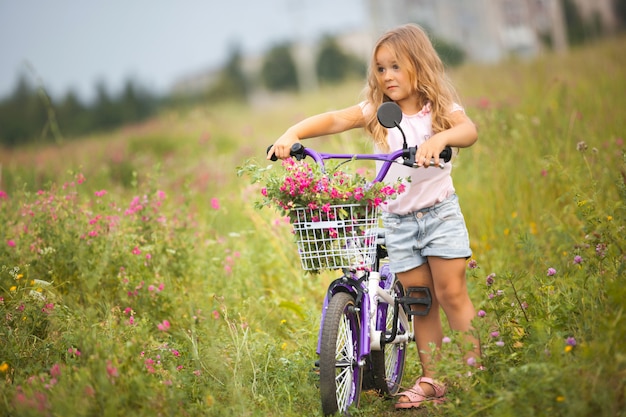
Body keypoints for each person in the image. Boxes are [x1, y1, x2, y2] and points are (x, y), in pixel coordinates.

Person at [268, 23, 480, 410]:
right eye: (381, 69)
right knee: (420, 302)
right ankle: (433, 379)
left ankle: (473, 371)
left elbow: (468, 130)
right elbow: (335, 119)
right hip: (399, 220)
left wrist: (441, 138)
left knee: (451, 292)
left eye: (396, 67)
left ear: (419, 65)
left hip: (439, 215)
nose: (387, 77)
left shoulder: (438, 108)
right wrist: (292, 133)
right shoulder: (379, 111)